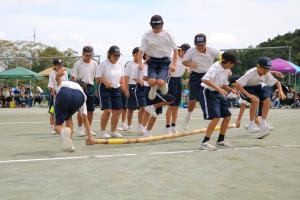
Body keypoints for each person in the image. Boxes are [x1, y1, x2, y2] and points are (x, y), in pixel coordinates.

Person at [235, 57, 286, 139]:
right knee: (255, 100)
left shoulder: (266, 73)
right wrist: (249, 95)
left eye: (268, 69)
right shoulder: (251, 73)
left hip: (256, 87)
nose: (267, 71)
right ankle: (251, 125)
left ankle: (263, 123)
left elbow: (277, 82)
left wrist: (281, 91)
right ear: (258, 67)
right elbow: (237, 84)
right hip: (245, 88)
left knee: (267, 100)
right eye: (265, 69)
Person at [198, 52, 239, 150]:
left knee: (227, 116)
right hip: (207, 92)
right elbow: (205, 79)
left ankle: (220, 141)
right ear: (228, 62)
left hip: (216, 93)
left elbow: (224, 84)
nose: (233, 65)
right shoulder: (215, 68)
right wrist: (219, 89)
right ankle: (204, 143)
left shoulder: (225, 69)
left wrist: (231, 89)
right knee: (215, 117)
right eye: (233, 63)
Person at [182, 33, 221, 130]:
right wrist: (190, 64)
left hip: (208, 76)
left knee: (210, 95)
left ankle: (213, 116)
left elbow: (223, 57)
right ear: (195, 44)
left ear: (205, 43)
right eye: (198, 45)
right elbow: (184, 61)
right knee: (193, 99)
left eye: (202, 45)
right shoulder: (191, 51)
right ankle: (188, 117)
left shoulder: (212, 50)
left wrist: (224, 68)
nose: (200, 47)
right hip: (195, 76)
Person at [137, 15, 178, 100]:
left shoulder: (168, 34)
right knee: (152, 82)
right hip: (152, 60)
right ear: (151, 26)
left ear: (162, 25)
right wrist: (140, 63)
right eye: (154, 27)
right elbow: (141, 51)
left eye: (158, 27)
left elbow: (175, 50)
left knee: (160, 82)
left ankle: (163, 83)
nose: (156, 29)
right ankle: (153, 87)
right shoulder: (147, 35)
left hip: (164, 61)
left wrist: (174, 64)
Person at [54, 69, 95, 152]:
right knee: (68, 118)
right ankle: (70, 145)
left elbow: (58, 81)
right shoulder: (82, 93)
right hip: (78, 97)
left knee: (57, 126)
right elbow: (85, 118)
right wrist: (90, 137)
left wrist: (58, 76)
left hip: (64, 93)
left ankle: (63, 131)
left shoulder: (66, 83)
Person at [96, 45, 129, 139]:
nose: (117, 57)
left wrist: (125, 90)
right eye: (115, 55)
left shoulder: (120, 65)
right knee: (107, 111)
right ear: (109, 55)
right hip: (105, 89)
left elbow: (122, 78)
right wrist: (106, 82)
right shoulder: (103, 64)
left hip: (117, 89)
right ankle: (102, 132)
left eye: (118, 55)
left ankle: (113, 131)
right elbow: (98, 78)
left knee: (118, 111)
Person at [71, 46, 98, 137]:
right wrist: (78, 85)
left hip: (90, 87)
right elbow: (73, 77)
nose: (89, 57)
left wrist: (97, 89)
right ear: (83, 54)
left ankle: (88, 129)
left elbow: (96, 78)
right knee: (81, 110)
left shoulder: (95, 64)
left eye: (90, 55)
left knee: (90, 110)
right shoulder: (78, 63)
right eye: (87, 55)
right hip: (80, 87)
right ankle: (80, 129)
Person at [165, 43, 191, 134]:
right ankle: (167, 127)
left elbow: (188, 68)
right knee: (171, 105)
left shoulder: (186, 59)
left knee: (176, 106)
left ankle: (173, 125)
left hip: (178, 81)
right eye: (185, 52)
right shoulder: (172, 56)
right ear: (182, 50)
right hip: (170, 80)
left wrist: (188, 70)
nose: (186, 55)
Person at [123, 47, 143, 132]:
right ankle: (129, 126)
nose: (141, 55)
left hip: (141, 87)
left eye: (141, 53)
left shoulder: (143, 64)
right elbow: (126, 77)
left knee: (142, 107)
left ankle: (140, 125)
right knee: (131, 108)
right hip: (131, 86)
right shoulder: (129, 64)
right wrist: (126, 90)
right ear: (134, 54)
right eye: (139, 53)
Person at [48, 58, 68, 134]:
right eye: (58, 65)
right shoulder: (52, 73)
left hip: (63, 94)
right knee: (53, 112)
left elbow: (66, 83)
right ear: (55, 65)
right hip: (55, 94)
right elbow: (51, 86)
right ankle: (53, 127)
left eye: (61, 65)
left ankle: (66, 127)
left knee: (64, 111)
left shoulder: (65, 73)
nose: (60, 66)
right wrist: (54, 96)